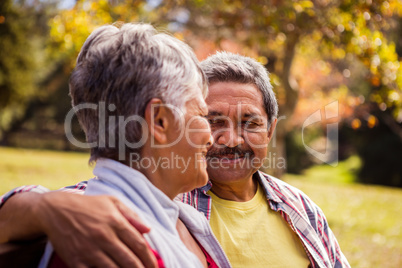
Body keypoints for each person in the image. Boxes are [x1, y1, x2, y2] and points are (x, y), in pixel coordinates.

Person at [0, 50, 350, 267]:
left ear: (271, 130)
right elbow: (88, 201)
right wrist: (42, 208)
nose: (230, 140)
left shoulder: (300, 209)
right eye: (211, 120)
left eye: (250, 123)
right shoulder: (168, 198)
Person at [0, 22, 233, 268]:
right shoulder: (114, 245)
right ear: (159, 121)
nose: (210, 138)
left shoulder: (175, 214)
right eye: (201, 116)